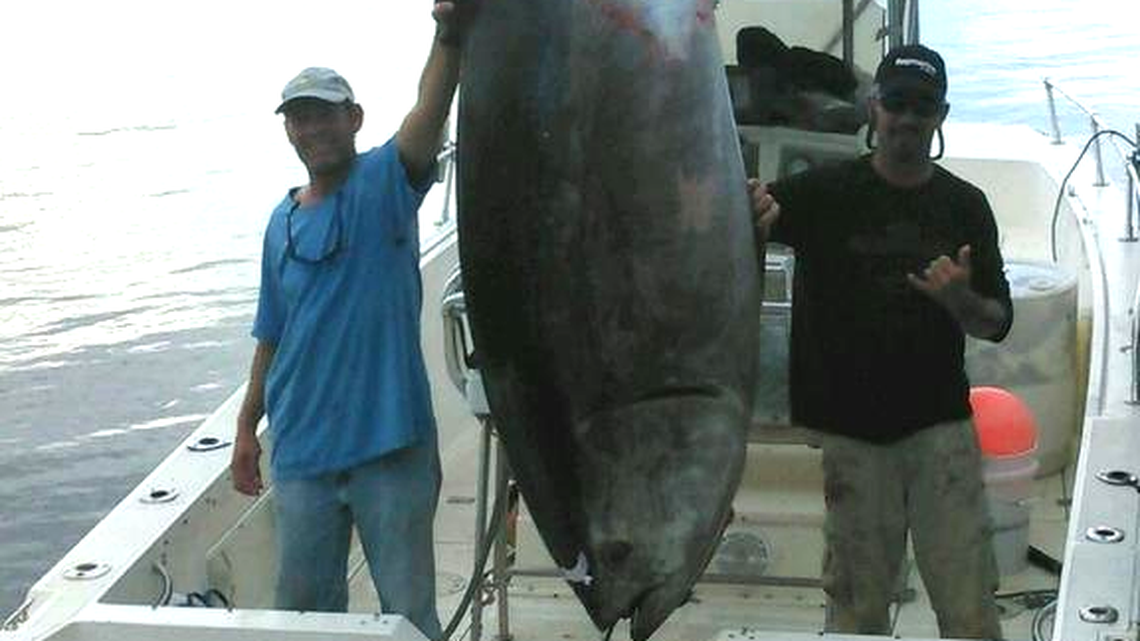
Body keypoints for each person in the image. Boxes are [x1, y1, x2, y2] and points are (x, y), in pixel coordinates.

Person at [749, 44, 1011, 639]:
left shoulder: (966, 206)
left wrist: (960, 301)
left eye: (923, 106)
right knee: (856, 614)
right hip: (850, 434)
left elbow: (997, 321)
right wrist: (748, 210)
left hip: (939, 430)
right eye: (897, 102)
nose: (908, 118)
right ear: (874, 108)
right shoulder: (820, 193)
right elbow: (751, 222)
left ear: (941, 115)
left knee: (971, 611)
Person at [229, 3, 472, 638]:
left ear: (354, 119)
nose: (310, 128)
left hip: (388, 445)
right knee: (304, 619)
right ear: (288, 132)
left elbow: (428, 110)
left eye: (323, 114)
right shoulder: (280, 224)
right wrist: (245, 426)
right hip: (302, 451)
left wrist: (448, 31)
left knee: (408, 613)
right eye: (298, 118)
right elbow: (271, 335)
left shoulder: (385, 184)